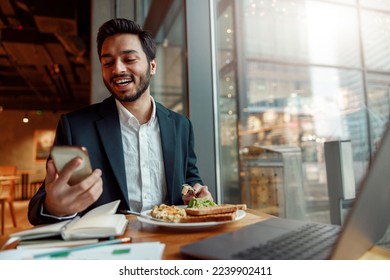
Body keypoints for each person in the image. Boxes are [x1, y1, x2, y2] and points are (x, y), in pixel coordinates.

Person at [28, 18, 213, 225]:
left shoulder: (181, 126)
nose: (117, 69)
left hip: (171, 241)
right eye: (108, 62)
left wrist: (198, 193)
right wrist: (55, 207)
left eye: (129, 59)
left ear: (152, 66)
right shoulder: (75, 127)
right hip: (109, 248)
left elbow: (190, 180)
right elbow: (42, 203)